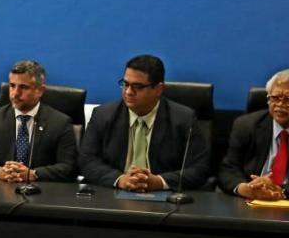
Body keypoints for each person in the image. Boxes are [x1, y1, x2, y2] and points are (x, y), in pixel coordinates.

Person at [79, 54, 209, 191]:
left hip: (164, 196)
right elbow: (87, 161)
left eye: (138, 86)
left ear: (158, 89)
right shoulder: (102, 115)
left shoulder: (183, 119)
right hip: (113, 193)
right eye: (125, 84)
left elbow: (200, 168)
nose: (128, 92)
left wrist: (159, 182)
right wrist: (120, 180)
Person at [0, 60, 78, 181]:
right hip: (2, 186)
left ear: (40, 91)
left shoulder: (60, 123)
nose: (15, 93)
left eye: (23, 87)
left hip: (42, 188)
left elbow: (69, 167)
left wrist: (34, 174)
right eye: (12, 86)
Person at [218, 69, 289, 200]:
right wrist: (244, 188)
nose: (280, 104)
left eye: (287, 99)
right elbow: (228, 169)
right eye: (275, 98)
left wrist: (280, 190)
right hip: (251, 200)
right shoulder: (246, 125)